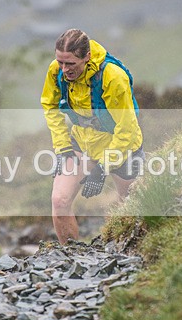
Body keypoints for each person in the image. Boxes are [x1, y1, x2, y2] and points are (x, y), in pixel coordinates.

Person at [41, 28, 144, 244]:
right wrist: (62, 148)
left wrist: (104, 166)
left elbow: (127, 129)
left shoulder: (113, 77)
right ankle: (70, 257)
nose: (64, 69)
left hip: (122, 145)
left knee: (131, 206)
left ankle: (125, 254)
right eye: (60, 62)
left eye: (70, 64)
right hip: (82, 142)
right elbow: (49, 105)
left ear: (86, 57)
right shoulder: (56, 71)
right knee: (59, 200)